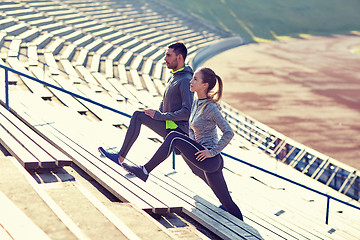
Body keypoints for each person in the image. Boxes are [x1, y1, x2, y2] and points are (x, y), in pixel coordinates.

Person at [122, 67, 244, 220]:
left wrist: (212, 151)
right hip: (205, 158)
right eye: (192, 78)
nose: (191, 82)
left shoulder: (210, 107)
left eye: (195, 80)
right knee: (228, 204)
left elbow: (229, 132)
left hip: (210, 159)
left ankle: (144, 171)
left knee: (174, 136)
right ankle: (248, 233)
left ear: (205, 85)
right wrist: (193, 138)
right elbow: (192, 125)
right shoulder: (196, 103)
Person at [99, 42, 194, 164]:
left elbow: (187, 111)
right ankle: (121, 158)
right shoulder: (175, 76)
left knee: (138, 116)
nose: (165, 59)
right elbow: (166, 101)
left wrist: (159, 116)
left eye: (168, 55)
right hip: (168, 125)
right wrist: (156, 113)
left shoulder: (185, 80)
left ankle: (121, 158)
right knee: (139, 115)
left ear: (179, 57)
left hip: (178, 130)